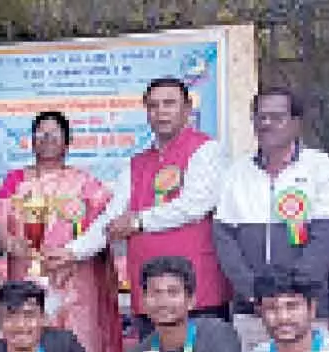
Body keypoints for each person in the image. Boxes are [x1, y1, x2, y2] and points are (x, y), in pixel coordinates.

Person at [0, 110, 125, 352]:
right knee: (31, 347)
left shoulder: (86, 184)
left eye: (55, 133)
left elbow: (106, 227)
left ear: (67, 142)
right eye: (41, 133)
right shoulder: (15, 180)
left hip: (76, 283)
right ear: (31, 141)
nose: (48, 139)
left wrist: (73, 254)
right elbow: (2, 231)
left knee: (82, 349)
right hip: (30, 278)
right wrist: (13, 244)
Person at [90, 77, 231, 338]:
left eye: (169, 103)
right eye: (153, 106)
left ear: (187, 109)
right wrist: (71, 252)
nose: (161, 111)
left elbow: (195, 204)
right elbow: (111, 217)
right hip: (150, 300)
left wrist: (138, 221)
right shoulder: (137, 163)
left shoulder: (207, 150)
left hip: (198, 296)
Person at [214, 87, 329, 351]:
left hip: (305, 308)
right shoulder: (236, 173)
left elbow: (326, 238)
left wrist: (293, 295)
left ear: (296, 123)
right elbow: (224, 240)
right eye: (260, 117)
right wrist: (254, 292)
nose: (267, 124)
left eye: (277, 117)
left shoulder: (321, 168)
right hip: (251, 310)